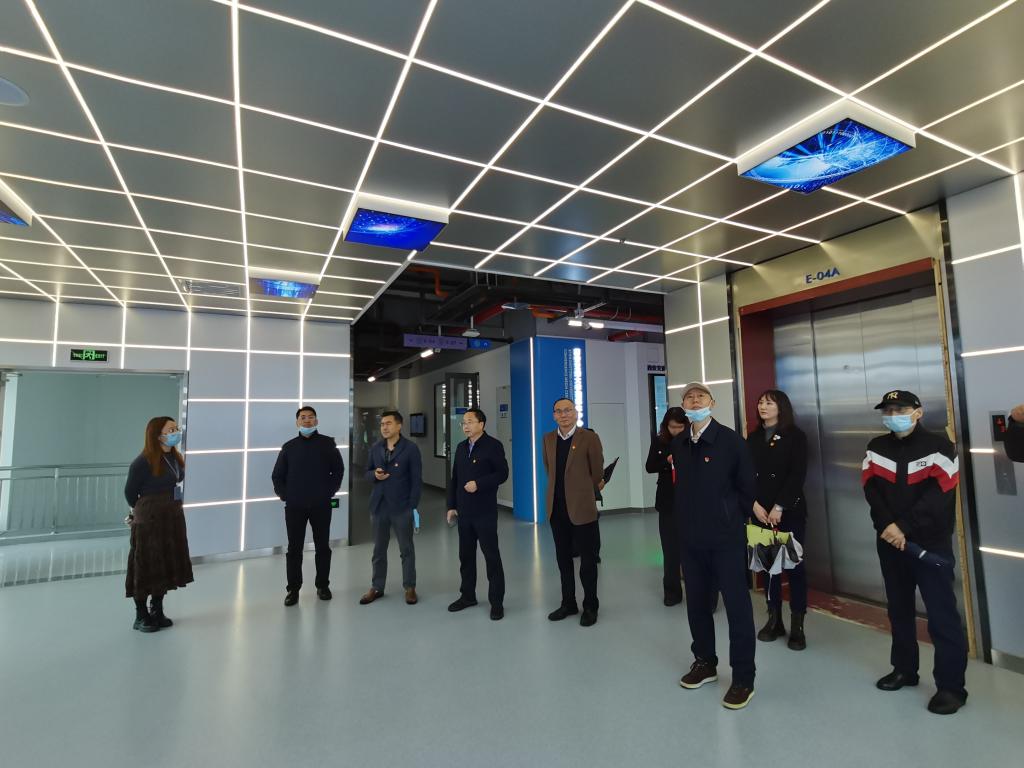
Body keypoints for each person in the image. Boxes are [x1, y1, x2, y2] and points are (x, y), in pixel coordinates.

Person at [862, 389, 967, 715]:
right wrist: (887, 526)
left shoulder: (940, 447)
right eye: (888, 410)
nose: (893, 415)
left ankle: (951, 687)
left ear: (918, 412)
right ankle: (905, 669)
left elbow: (940, 495)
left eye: (900, 409)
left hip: (929, 545)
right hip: (890, 542)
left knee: (941, 615)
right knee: (899, 609)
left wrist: (903, 526)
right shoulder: (875, 447)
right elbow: (870, 490)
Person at [672, 382, 758, 710]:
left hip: (726, 540)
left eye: (701, 396)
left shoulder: (731, 441)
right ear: (683, 405)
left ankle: (743, 677)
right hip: (691, 540)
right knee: (697, 604)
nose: (695, 401)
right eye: (689, 397)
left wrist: (730, 519)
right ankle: (705, 662)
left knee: (737, 608)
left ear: (712, 402)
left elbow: (747, 487)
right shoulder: (679, 443)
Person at [746, 390, 809, 650]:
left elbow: (797, 474)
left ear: (781, 407)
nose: (763, 406)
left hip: (788, 511)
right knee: (769, 567)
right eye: (761, 402)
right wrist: (753, 504)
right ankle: (774, 619)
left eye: (769, 403)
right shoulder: (753, 438)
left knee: (794, 567)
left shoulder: (796, 436)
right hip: (760, 512)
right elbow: (745, 474)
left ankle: (798, 624)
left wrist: (780, 506)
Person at [123, 416, 193, 633]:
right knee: (146, 564)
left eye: (176, 428)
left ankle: (157, 610)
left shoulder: (174, 458)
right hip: (150, 518)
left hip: (171, 516)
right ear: (157, 435)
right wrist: (142, 511)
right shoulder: (142, 462)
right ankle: (140, 615)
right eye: (170, 430)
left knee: (164, 562)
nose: (175, 432)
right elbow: (130, 493)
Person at [272, 406, 345, 607]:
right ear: (297, 422)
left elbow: (338, 470)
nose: (307, 421)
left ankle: (323, 586)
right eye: (303, 417)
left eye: (311, 417)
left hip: (321, 504)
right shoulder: (289, 447)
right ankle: (293, 589)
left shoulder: (328, 444)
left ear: (316, 421)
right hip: (295, 506)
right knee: (294, 549)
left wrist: (329, 491)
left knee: (323, 547)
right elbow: (277, 475)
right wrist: (285, 495)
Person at [543, 398, 605, 627]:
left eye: (568, 410)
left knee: (587, 561)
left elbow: (597, 472)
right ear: (554, 415)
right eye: (558, 411)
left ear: (576, 413)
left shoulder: (589, 438)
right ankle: (568, 603)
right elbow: (549, 469)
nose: (563, 414)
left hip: (582, 508)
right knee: (563, 560)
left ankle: (590, 606)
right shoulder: (548, 439)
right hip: (556, 509)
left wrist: (581, 489)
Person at [446, 408, 510, 620]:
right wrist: (451, 506)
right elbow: (455, 479)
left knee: (491, 557)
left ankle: (496, 602)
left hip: (485, 512)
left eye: (470, 421)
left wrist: (479, 484)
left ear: (481, 424)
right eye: (463, 422)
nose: (465, 426)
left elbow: (502, 473)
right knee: (465, 557)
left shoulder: (493, 446)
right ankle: (467, 596)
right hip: (464, 512)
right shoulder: (461, 447)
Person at [360, 411, 422, 606]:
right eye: (382, 424)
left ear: (399, 426)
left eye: (388, 423)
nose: (384, 427)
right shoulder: (376, 448)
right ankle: (377, 587)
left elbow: (416, 480)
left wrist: (412, 505)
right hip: (379, 506)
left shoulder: (410, 449)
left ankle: (410, 587)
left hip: (402, 506)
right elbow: (366, 472)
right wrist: (374, 475)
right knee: (378, 549)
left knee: (406, 549)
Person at [646, 406, 688, 606]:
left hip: (690, 501)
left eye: (680, 427)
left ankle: (698, 590)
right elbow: (649, 466)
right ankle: (672, 592)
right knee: (670, 550)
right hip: (667, 502)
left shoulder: (693, 440)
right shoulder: (659, 441)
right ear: (666, 426)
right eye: (672, 427)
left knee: (693, 549)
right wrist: (667, 461)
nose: (676, 431)